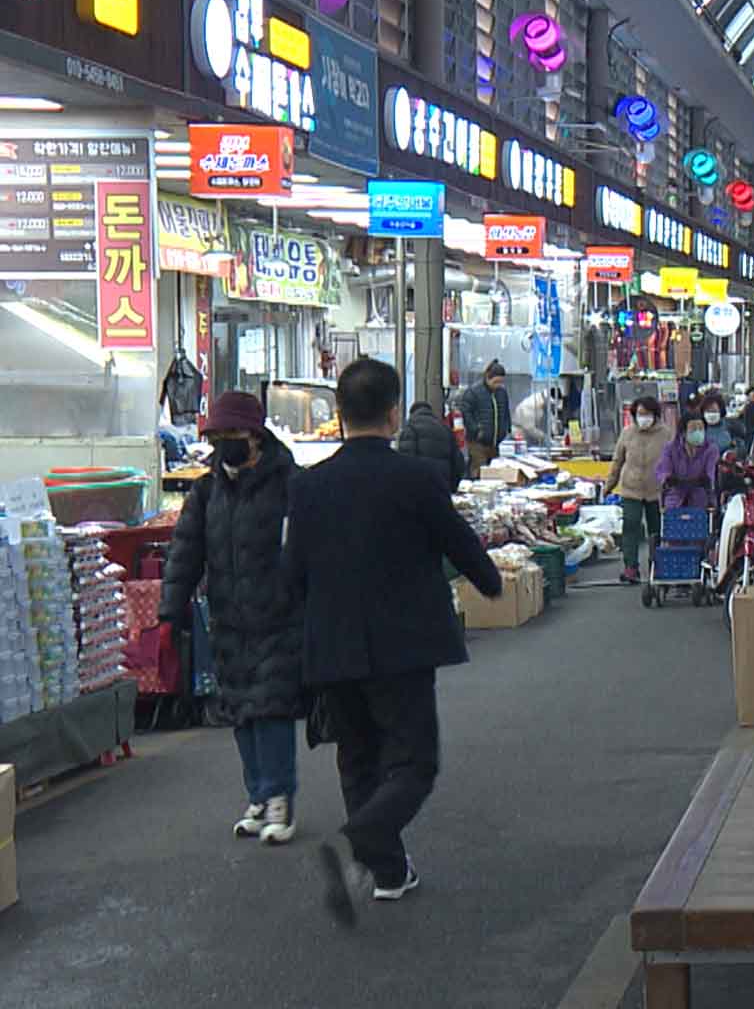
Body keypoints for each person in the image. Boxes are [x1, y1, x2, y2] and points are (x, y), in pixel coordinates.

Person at [288, 359, 502, 924]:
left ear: (339, 415)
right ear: (391, 413)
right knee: (413, 762)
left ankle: (387, 872)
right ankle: (365, 836)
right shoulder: (415, 478)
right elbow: (459, 544)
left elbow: (292, 573)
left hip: (331, 646)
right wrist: (491, 581)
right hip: (402, 646)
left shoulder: (307, 487)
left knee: (357, 757)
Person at [161, 392, 305, 845]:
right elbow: (185, 554)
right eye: (217, 437)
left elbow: (312, 549)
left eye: (233, 435)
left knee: (272, 708)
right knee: (241, 711)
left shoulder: (291, 484)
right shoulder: (206, 493)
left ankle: (280, 798)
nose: (224, 444)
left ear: (256, 436)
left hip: (279, 617)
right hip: (226, 618)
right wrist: (170, 611)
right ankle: (259, 796)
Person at [608, 396, 670, 585]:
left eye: (648, 414)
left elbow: (671, 460)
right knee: (630, 526)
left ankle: (657, 566)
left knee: (656, 530)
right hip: (631, 489)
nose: (644, 418)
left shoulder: (665, 434)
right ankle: (630, 568)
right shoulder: (627, 433)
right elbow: (618, 461)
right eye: (640, 414)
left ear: (655, 415)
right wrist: (609, 485)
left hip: (656, 490)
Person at [657, 410, 723, 510]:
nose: (698, 432)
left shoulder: (711, 449)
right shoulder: (671, 448)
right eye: (693, 429)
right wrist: (667, 479)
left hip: (701, 499)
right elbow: (663, 469)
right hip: (675, 499)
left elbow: (711, 472)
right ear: (683, 432)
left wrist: (708, 480)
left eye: (701, 429)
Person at [395, 401, 466, 492]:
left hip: (420, 490)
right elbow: (458, 463)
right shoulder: (445, 429)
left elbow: (405, 464)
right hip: (442, 488)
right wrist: (451, 487)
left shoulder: (410, 428)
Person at [457, 361, 511, 477]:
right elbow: (465, 413)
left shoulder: (502, 393)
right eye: (495, 382)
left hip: (495, 442)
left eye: (500, 382)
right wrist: (476, 430)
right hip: (478, 442)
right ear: (487, 378)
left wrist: (507, 428)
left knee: (494, 474)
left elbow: (506, 412)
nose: (498, 385)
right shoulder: (473, 392)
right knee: (479, 473)